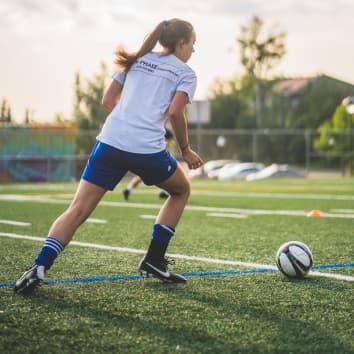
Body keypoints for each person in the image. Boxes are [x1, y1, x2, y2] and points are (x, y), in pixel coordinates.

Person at [14, 18, 203, 294]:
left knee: (77, 210)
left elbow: (107, 100)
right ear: (182, 43)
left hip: (110, 142)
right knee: (181, 190)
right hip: (146, 150)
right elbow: (175, 112)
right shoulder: (186, 72)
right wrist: (185, 150)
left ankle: (38, 267)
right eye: (193, 44)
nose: (193, 51)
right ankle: (153, 259)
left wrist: (128, 120)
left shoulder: (135, 58)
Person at [123, 128, 173, 201]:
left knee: (143, 175)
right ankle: (163, 192)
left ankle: (128, 189)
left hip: (144, 154)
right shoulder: (159, 128)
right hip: (153, 155)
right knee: (164, 173)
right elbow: (170, 137)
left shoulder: (148, 128)